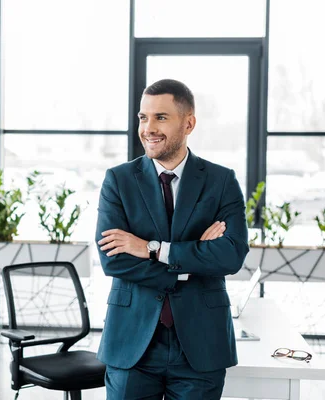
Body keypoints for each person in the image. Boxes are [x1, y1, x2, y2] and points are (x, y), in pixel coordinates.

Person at [95, 78, 249, 399]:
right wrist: (191, 261)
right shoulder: (118, 181)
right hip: (132, 341)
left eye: (160, 117)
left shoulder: (221, 181)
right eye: (143, 117)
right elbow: (114, 261)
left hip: (201, 342)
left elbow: (231, 255)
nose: (148, 128)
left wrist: (152, 249)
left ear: (189, 123)